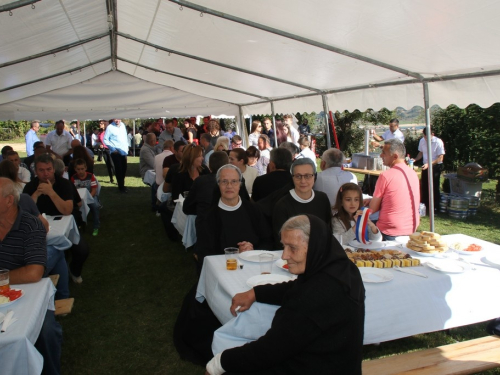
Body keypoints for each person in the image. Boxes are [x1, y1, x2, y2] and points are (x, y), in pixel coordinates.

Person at [206, 214, 365, 375]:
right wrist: (256, 292)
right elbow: (295, 287)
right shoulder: (343, 270)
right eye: (284, 246)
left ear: (316, 246)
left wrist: (219, 363)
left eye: (292, 248)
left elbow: (269, 350)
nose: (284, 256)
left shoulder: (314, 297)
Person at [0, 178, 63, 375]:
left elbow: (34, 272)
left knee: (47, 332)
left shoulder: (31, 226)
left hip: (29, 293)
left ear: (9, 201)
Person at [23, 154, 90, 283]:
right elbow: (25, 213)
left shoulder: (63, 184)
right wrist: (36, 194)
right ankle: (56, 278)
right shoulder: (30, 187)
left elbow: (67, 210)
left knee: (82, 250)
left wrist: (51, 192)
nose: (45, 173)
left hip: (67, 224)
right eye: (41, 170)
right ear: (35, 171)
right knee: (52, 253)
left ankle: (74, 271)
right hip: (42, 226)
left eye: (48, 169)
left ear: (53, 169)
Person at [194, 164, 272, 266]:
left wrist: (252, 249)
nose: (229, 186)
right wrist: (235, 254)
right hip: (224, 269)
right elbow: (205, 254)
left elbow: (268, 241)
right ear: (218, 184)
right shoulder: (207, 217)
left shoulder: (254, 210)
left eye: (234, 181)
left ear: (240, 184)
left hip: (255, 264)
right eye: (224, 181)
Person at [368, 139, 420, 240]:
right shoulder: (413, 173)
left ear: (395, 156)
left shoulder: (385, 176)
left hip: (389, 230)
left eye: (384, 153)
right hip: (411, 228)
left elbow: (372, 209)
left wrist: (370, 203)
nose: (381, 156)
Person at [272, 158, 332, 247]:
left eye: (307, 176)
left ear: (314, 177)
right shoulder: (282, 205)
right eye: (298, 176)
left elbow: (328, 230)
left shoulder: (323, 198)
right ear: (292, 178)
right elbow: (280, 241)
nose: (303, 181)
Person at [412, 128, 445, 213]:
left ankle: (435, 207)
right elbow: (421, 153)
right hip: (425, 165)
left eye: (427, 136)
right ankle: (425, 206)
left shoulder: (438, 142)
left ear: (432, 134)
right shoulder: (422, 141)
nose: (426, 138)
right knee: (424, 185)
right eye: (425, 136)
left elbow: (440, 157)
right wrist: (415, 159)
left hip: (435, 165)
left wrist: (429, 164)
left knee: (434, 186)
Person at [70, 158, 100, 236]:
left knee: (95, 206)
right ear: (75, 169)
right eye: (78, 169)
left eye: (82, 169)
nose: (80, 171)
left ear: (85, 168)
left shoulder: (90, 176)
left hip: (90, 196)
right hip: (79, 198)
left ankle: (96, 226)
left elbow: (94, 190)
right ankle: (79, 225)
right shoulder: (73, 178)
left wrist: (88, 198)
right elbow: (72, 191)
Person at [103, 118, 128, 193]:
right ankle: (121, 187)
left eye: (118, 119)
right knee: (118, 169)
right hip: (116, 152)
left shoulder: (123, 125)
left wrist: (127, 148)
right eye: (115, 119)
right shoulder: (110, 127)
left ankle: (122, 185)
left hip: (123, 151)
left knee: (124, 169)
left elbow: (124, 137)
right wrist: (113, 149)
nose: (117, 121)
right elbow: (105, 139)